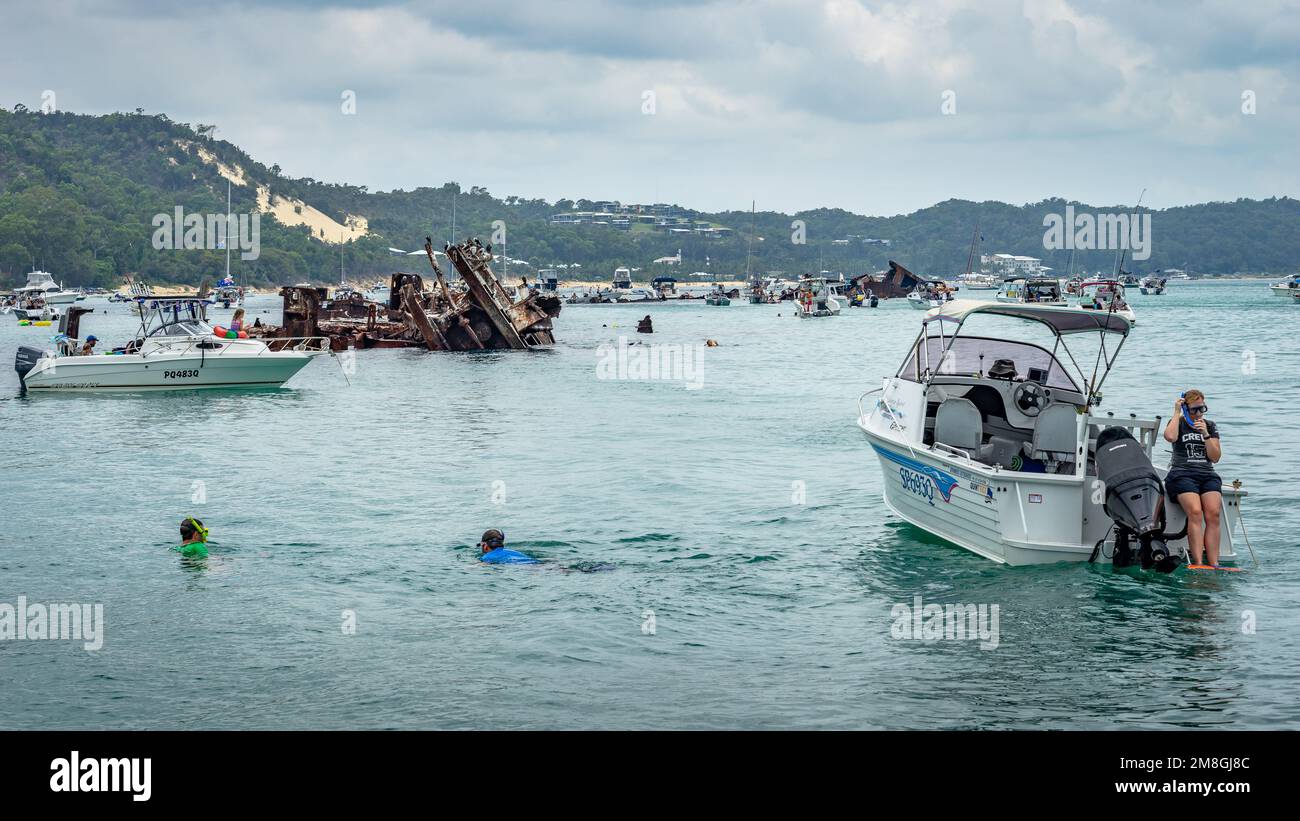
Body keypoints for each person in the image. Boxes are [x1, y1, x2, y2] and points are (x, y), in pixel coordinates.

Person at [1162, 390, 1223, 566]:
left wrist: (1205, 434)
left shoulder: (1209, 426)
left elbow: (1215, 457)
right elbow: (1170, 437)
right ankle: (1197, 562)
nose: (1199, 413)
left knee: (1213, 513)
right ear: (1186, 408)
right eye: (1195, 409)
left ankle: (1214, 563)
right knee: (1195, 512)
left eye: (1202, 409)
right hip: (1182, 473)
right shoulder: (1178, 423)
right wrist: (1176, 412)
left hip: (1206, 474)